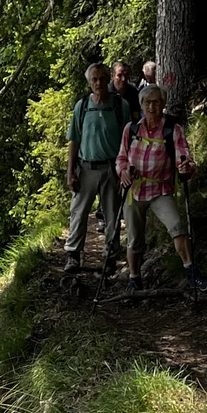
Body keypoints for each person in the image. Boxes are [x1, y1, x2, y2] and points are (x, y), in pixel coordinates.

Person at [116, 85, 206, 292]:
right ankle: (134, 278)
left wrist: (186, 167)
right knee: (134, 239)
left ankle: (191, 272)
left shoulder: (172, 129)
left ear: (163, 104)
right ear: (141, 104)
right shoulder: (131, 129)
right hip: (134, 190)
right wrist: (123, 171)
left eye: (156, 102)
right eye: (147, 102)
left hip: (161, 189)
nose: (151, 106)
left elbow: (184, 156)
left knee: (177, 228)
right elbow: (121, 158)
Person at [64, 63, 133, 273]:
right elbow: (74, 141)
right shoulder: (82, 106)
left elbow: (129, 140)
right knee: (78, 213)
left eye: (102, 78)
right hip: (85, 168)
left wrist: (125, 169)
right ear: (89, 82)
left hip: (112, 169)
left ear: (108, 79)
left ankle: (110, 258)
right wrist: (70, 172)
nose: (99, 83)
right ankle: (73, 255)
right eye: (94, 79)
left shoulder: (120, 106)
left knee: (112, 216)